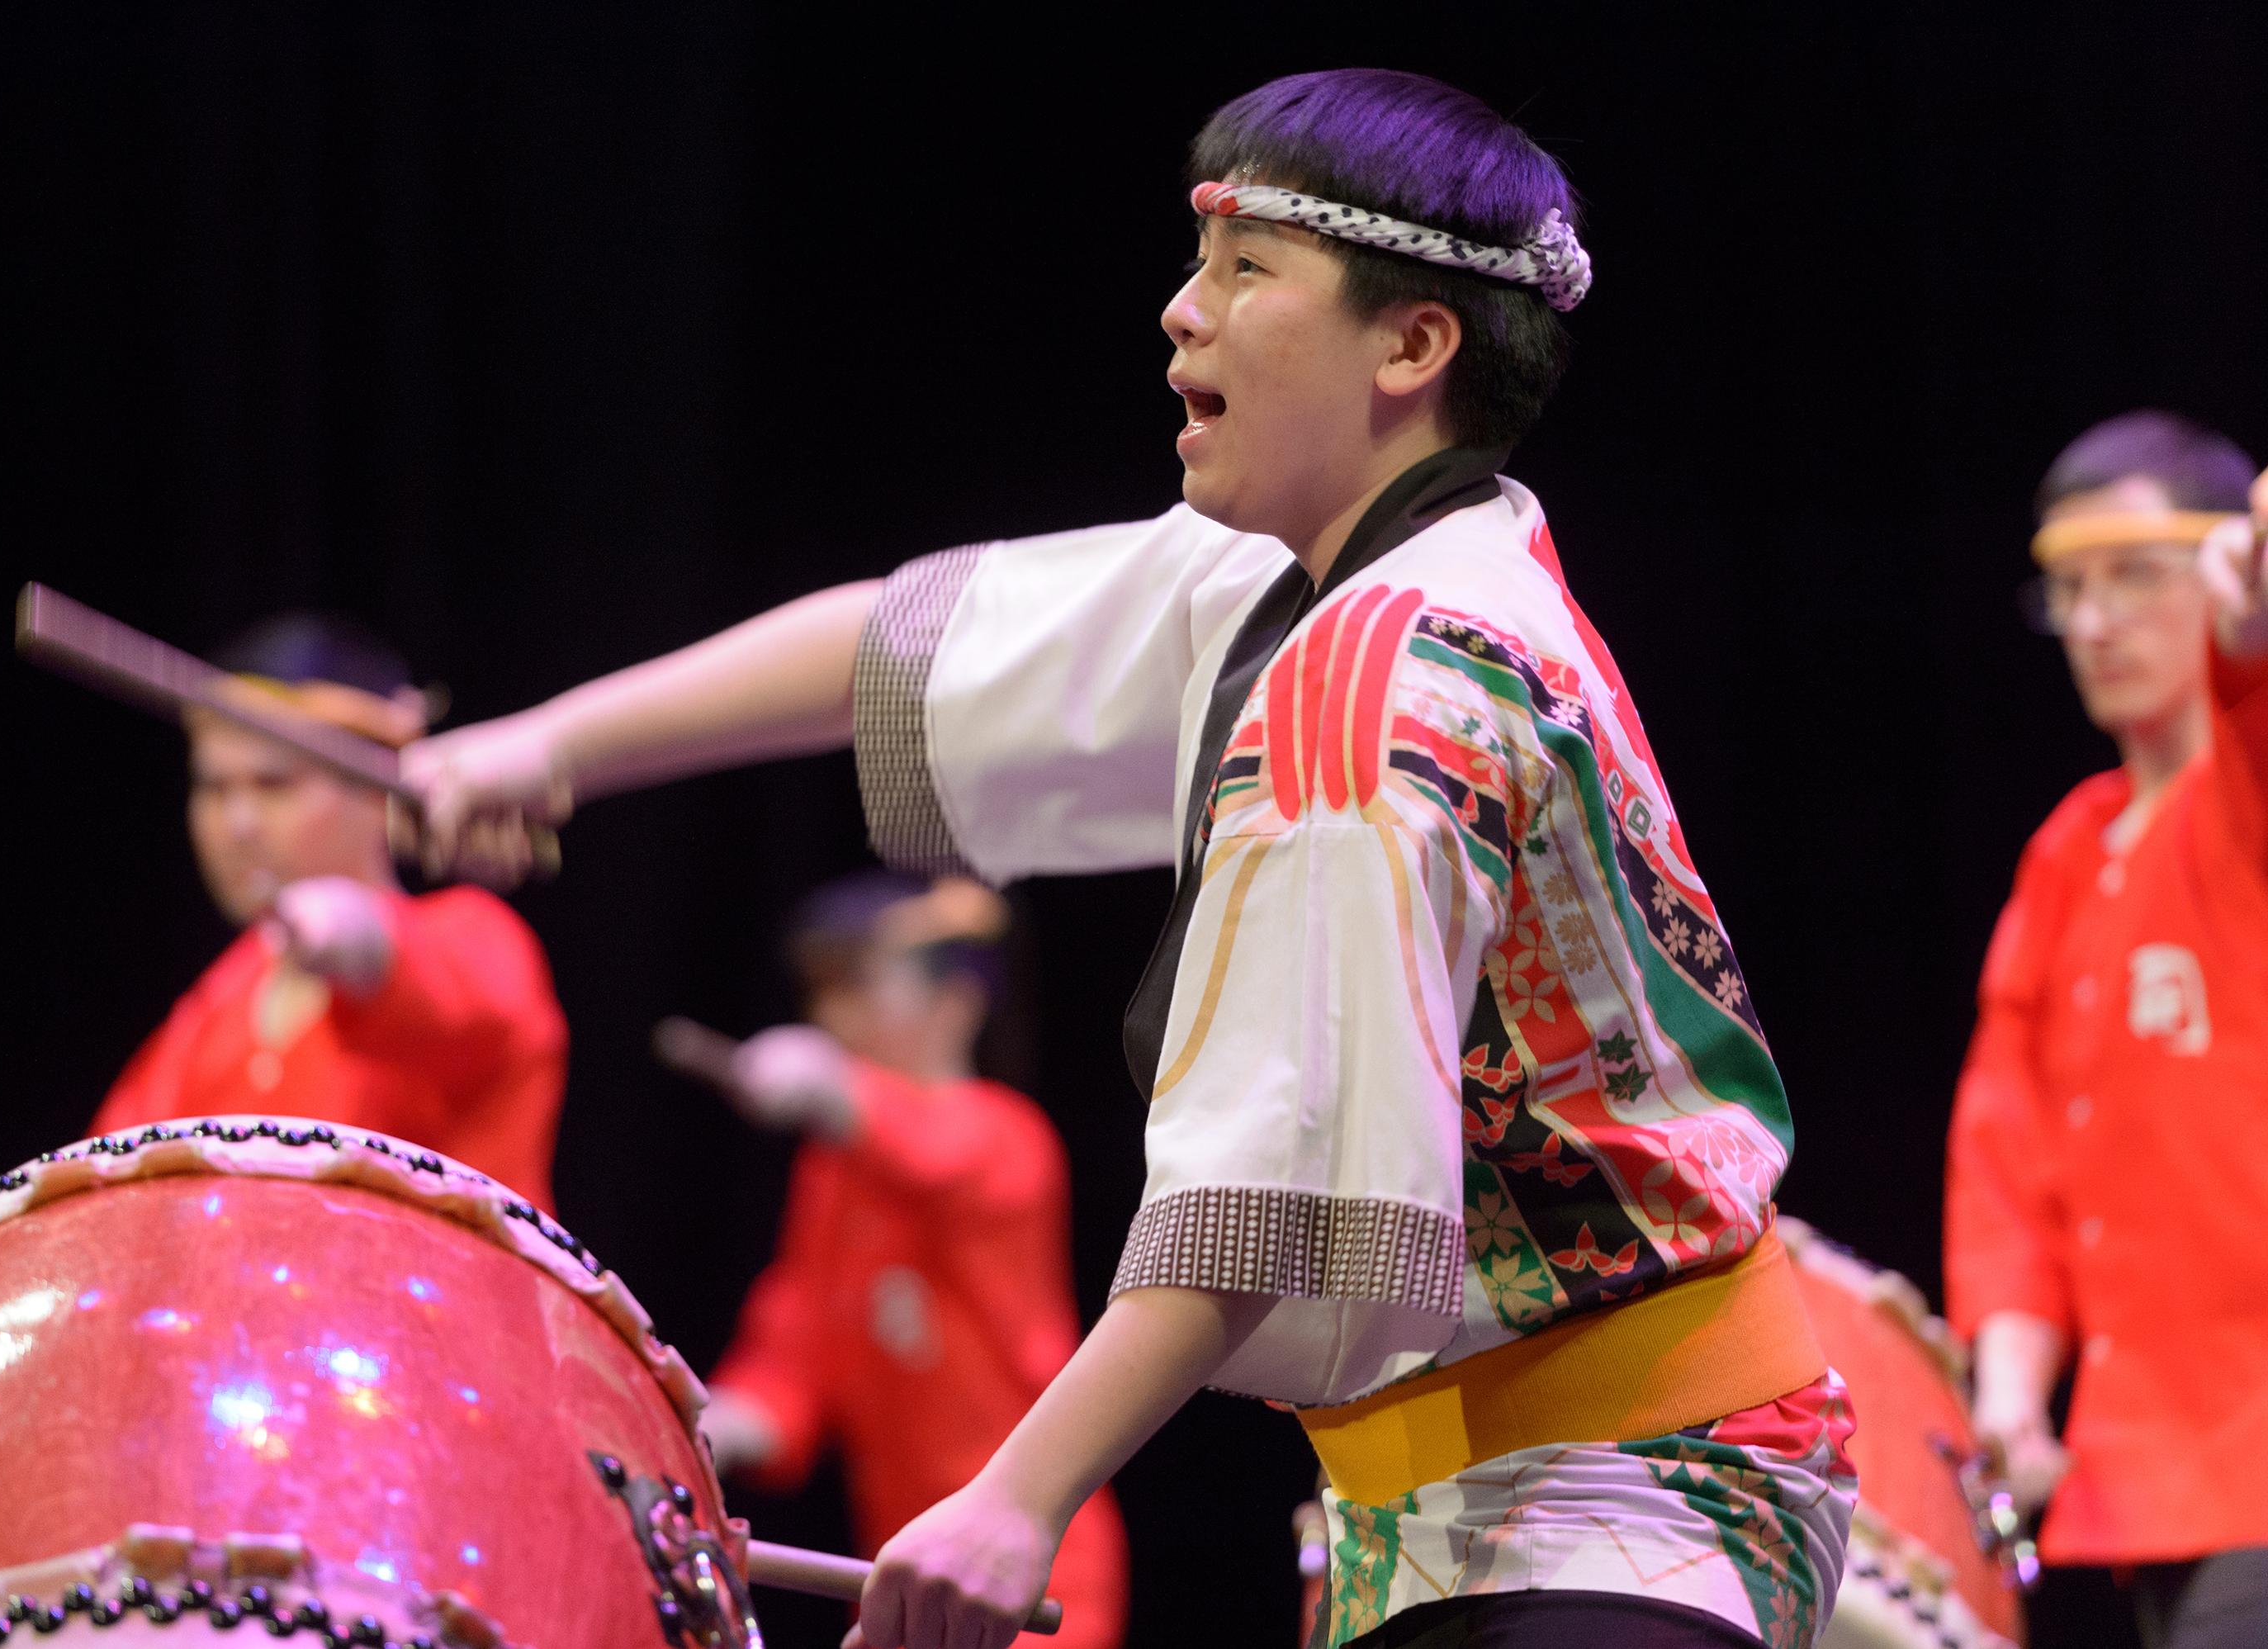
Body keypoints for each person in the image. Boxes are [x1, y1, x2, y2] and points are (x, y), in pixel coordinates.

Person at [405, 69, 1855, 1649]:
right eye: (1197, 260)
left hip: (1627, 1488)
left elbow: (1273, 1179)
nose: (1181, 313)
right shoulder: (1320, 575)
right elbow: (910, 648)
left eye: (1246, 272)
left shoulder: (1391, 687)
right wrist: (548, 744)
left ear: (1412, 344)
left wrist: (1022, 1491)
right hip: (1456, 1503)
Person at [1944, 412, 2268, 1649]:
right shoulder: (2070, 851)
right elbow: (2011, 1162)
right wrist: (2015, 1411)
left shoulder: (2247, 792)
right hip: (2154, 1479)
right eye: (2069, 587)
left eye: (2135, 575)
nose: (2093, 620)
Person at [665, 872, 1127, 1649]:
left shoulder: (1009, 1140)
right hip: (904, 1568)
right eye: (828, 993)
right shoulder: (837, 1172)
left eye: (862, 988)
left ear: (957, 1003)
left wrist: (834, 1089)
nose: (835, 1015)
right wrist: (729, 1422)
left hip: (1033, 1567)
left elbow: (933, 1153)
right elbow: (798, 1339)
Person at [91, 613, 567, 1212]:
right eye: (214, 788)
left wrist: (361, 936)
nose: (237, 823)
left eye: (274, 784)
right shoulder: (211, 1010)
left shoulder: (474, 940)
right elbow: (101, 1198)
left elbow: (436, 985)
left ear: (376, 787)